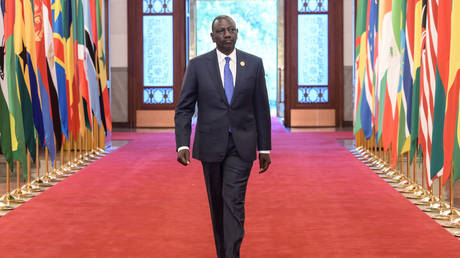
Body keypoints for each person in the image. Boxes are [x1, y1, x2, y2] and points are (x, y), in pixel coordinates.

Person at [175, 15, 271, 258]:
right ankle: (224, 252)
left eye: (231, 30)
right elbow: (185, 107)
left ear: (237, 33)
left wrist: (265, 148)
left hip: (241, 145)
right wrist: (182, 143)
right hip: (210, 144)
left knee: (233, 201)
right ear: (212, 37)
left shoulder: (254, 64)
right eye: (221, 31)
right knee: (217, 204)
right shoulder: (198, 65)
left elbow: (261, 108)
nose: (227, 34)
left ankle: (232, 254)